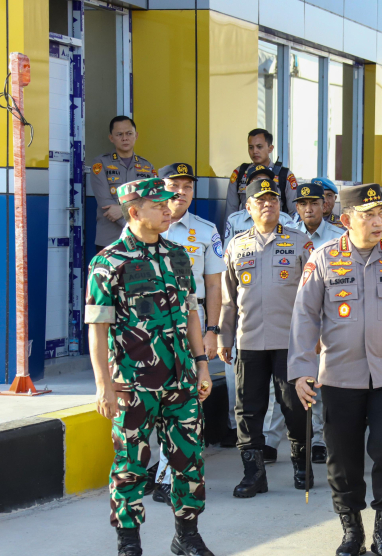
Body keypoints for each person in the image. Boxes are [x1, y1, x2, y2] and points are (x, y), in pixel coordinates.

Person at [289, 183, 382, 556]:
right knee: (343, 457)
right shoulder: (322, 258)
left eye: (380, 213)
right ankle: (351, 529)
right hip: (338, 376)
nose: (378, 220)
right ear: (346, 219)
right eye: (368, 214)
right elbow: (304, 317)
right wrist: (303, 368)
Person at [85, 177, 214, 556]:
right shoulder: (108, 262)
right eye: (159, 204)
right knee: (131, 466)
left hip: (181, 381)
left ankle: (187, 535)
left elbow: (192, 312)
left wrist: (202, 365)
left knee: (189, 459)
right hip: (133, 384)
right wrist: (103, 386)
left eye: (168, 202)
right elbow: (98, 328)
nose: (168, 209)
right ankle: (129, 542)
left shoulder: (177, 254)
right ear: (135, 211)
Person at [218, 177, 313, 497]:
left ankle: (302, 465)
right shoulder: (236, 245)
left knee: (295, 406)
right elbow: (229, 299)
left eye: (273, 199)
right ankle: (253, 473)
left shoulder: (300, 243)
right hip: (248, 342)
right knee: (247, 409)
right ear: (248, 208)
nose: (268, 204)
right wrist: (223, 338)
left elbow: (313, 297)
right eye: (260, 200)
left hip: (291, 342)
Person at [149, 163, 225, 505]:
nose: (181, 191)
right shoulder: (146, 226)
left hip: (186, 328)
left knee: (183, 403)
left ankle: (167, 475)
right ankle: (156, 468)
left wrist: (212, 331)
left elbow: (212, 285)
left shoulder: (206, 231)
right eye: (174, 184)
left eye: (188, 186)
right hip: (146, 331)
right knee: (150, 404)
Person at [261, 181, 342, 464]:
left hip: (328, 317)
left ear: (325, 205)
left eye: (315, 203)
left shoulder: (339, 236)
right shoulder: (288, 235)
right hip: (291, 320)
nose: (309, 209)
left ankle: (317, 438)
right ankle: (270, 440)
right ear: (296, 207)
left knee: (318, 379)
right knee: (282, 384)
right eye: (303, 204)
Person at [90, 116, 156, 251]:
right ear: (111, 138)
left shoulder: (147, 166)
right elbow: (105, 203)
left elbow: (151, 200)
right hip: (110, 239)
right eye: (119, 134)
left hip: (140, 238)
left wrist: (121, 210)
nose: (124, 138)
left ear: (136, 135)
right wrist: (134, 221)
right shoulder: (100, 163)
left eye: (129, 133)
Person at [223, 128, 299, 220]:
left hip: (275, 228)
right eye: (251, 147)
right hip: (245, 230)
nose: (255, 151)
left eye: (259, 147)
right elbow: (231, 210)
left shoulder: (284, 175)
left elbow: (294, 212)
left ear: (270, 148)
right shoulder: (240, 173)